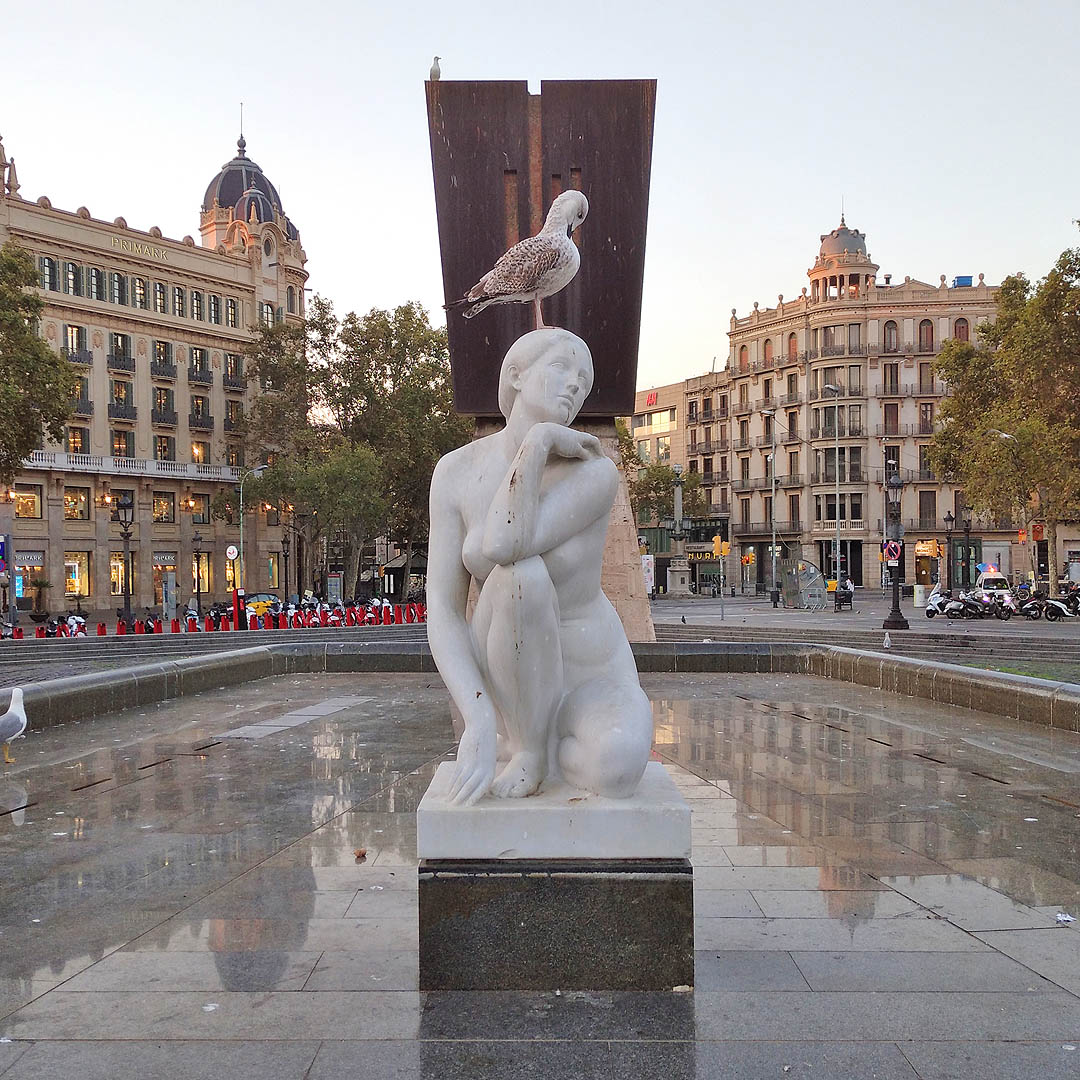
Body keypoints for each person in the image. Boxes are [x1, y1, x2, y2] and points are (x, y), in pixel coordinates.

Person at [427, 328, 653, 806]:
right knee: (520, 578)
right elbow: (443, 610)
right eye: (561, 368)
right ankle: (528, 746)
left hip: (589, 671)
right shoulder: (456, 472)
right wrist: (477, 718)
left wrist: (538, 441)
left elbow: (505, 539)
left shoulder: (595, 470)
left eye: (584, 380)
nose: (574, 384)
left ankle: (550, 750)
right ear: (515, 374)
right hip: (511, 678)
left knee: (618, 770)